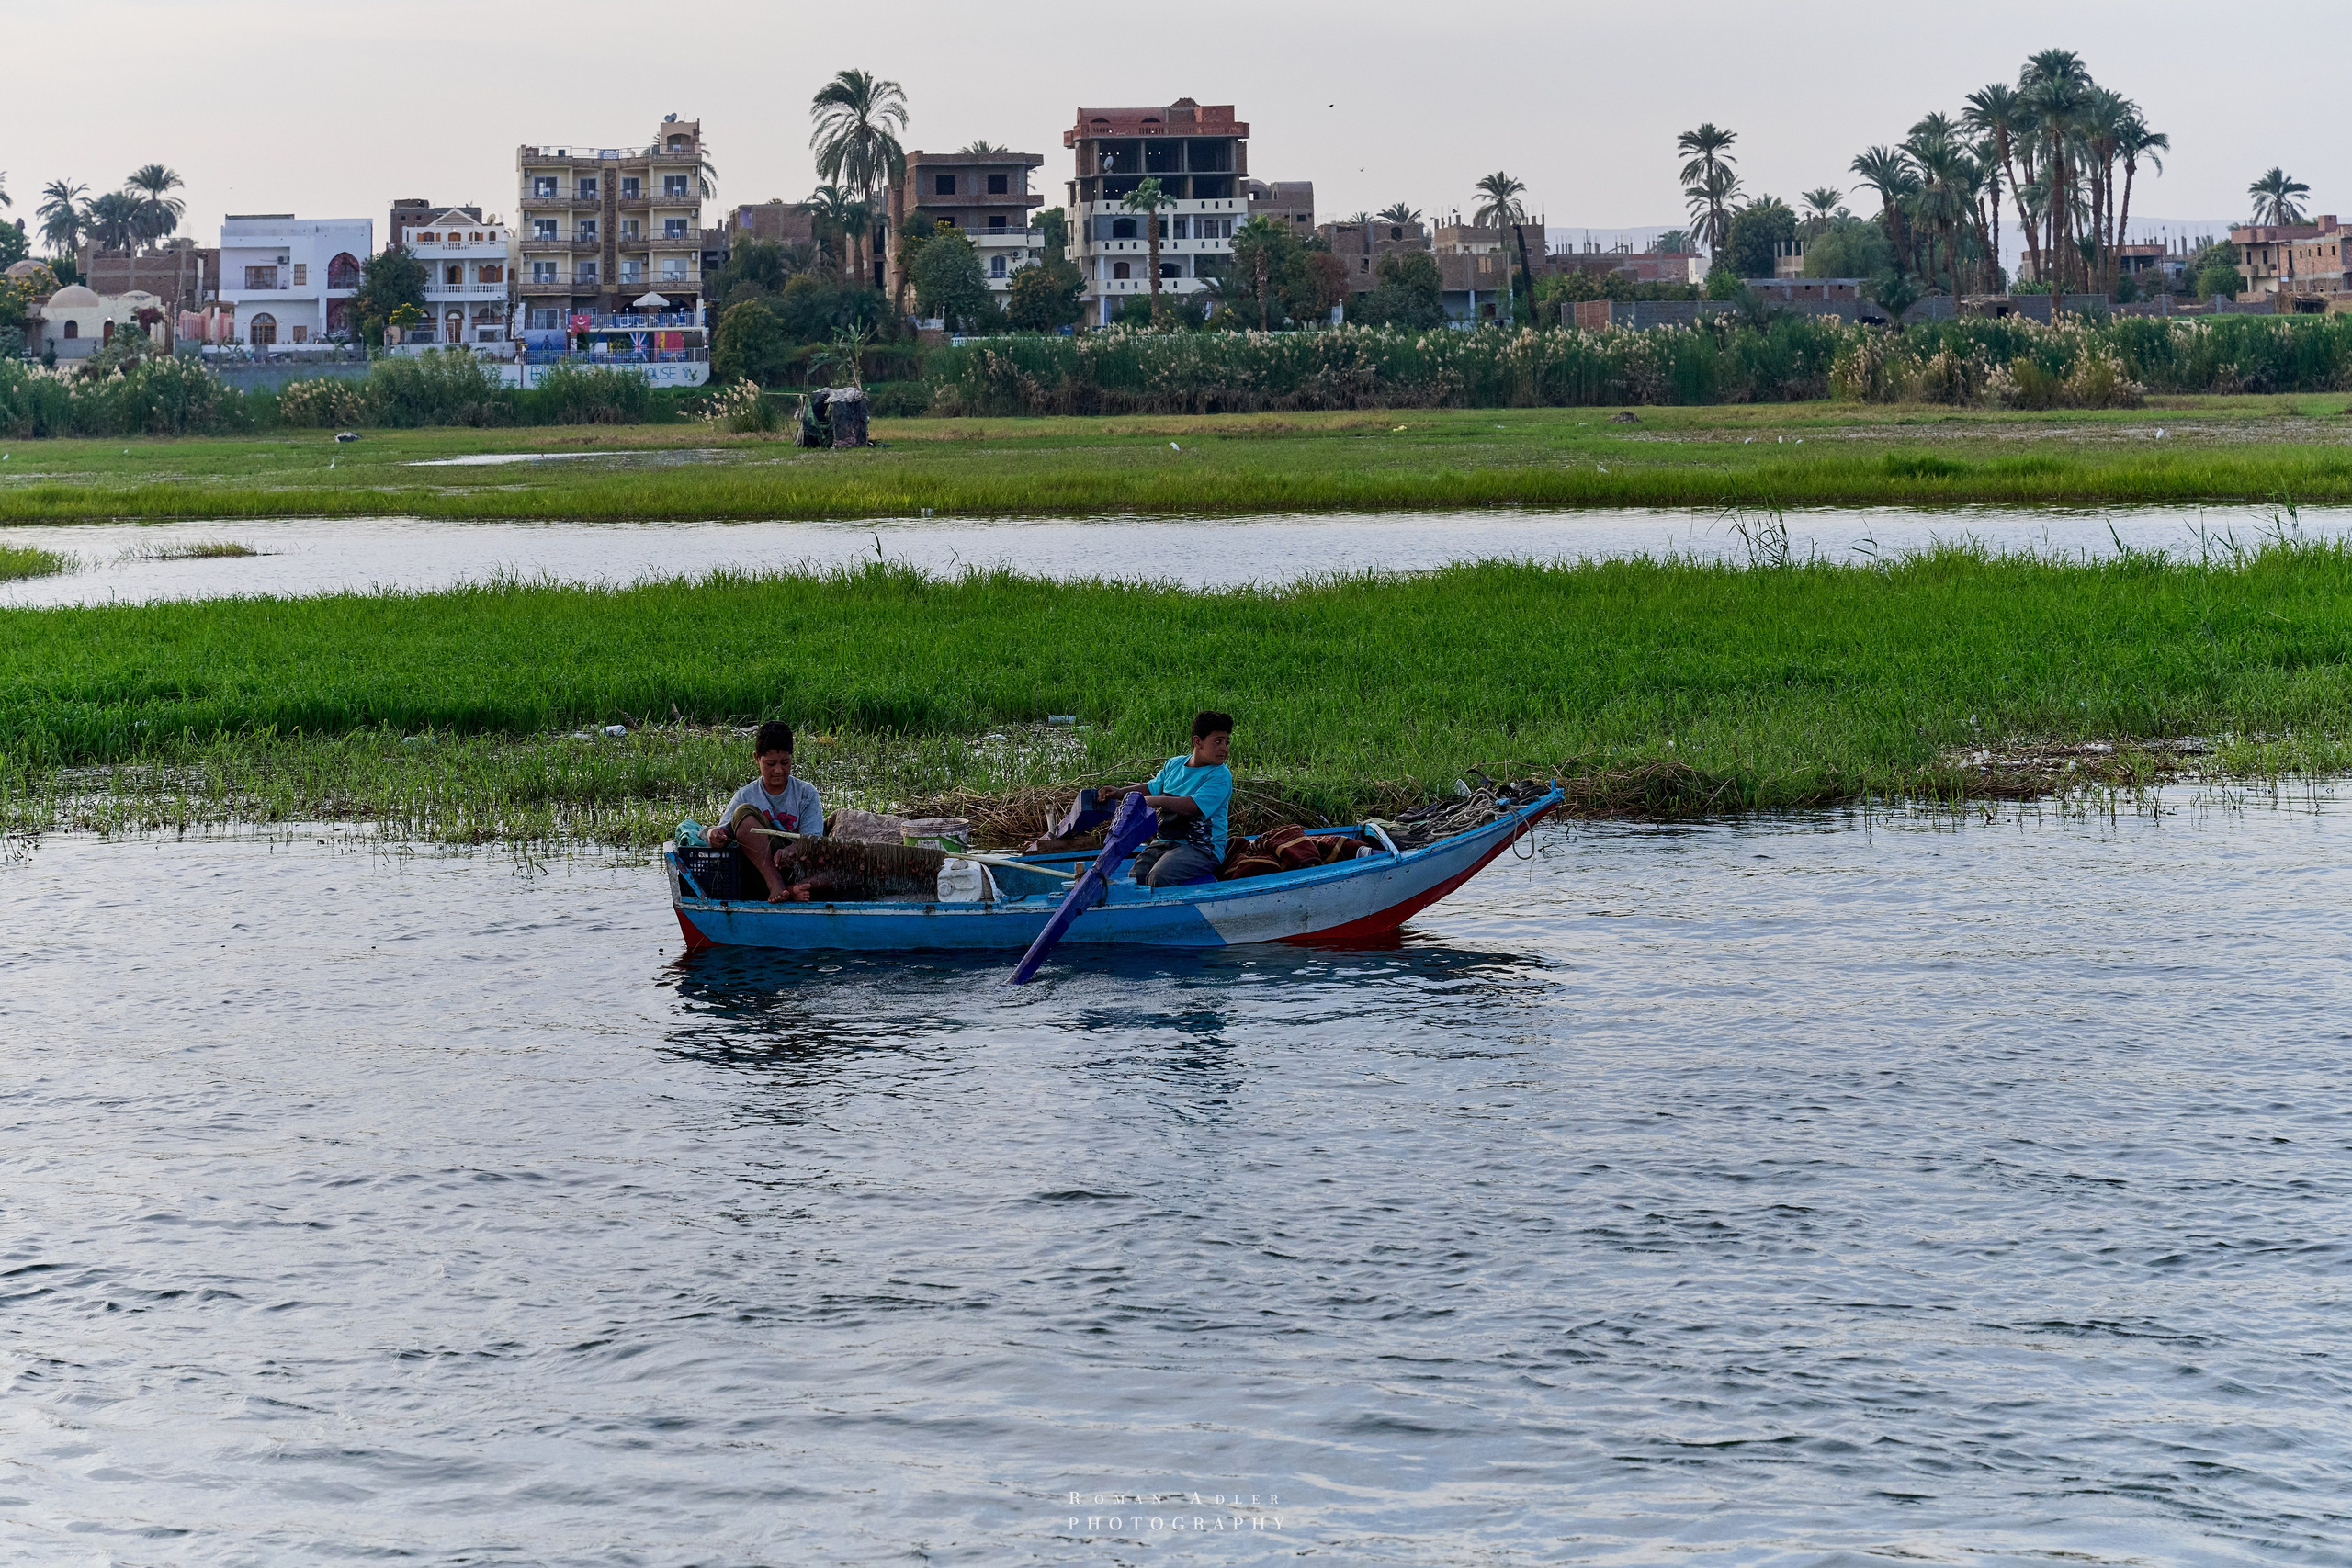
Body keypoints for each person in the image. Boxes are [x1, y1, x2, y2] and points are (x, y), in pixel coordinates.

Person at [1102, 711, 1234, 888]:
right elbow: (1151, 787)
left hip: (1203, 849)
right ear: (1198, 742)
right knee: (1136, 877)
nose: (1224, 748)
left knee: (1159, 877)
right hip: (1165, 842)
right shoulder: (1174, 765)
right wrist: (1119, 793)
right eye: (1218, 742)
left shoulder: (1220, 775)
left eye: (1226, 742)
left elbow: (1192, 807)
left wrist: (1156, 801)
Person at [707, 721, 830, 902]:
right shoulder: (746, 795)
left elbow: (812, 840)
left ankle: (791, 889)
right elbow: (722, 831)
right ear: (757, 758)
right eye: (771, 763)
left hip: (796, 869)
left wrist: (793, 849)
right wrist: (712, 834)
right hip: (761, 874)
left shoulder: (806, 793)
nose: (778, 770)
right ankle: (776, 885)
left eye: (784, 763)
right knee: (743, 812)